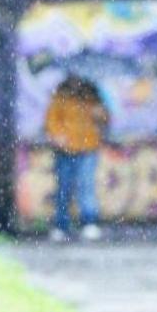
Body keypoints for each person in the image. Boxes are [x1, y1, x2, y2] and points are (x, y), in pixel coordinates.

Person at [45, 74, 109, 242]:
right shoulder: (60, 98)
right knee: (64, 188)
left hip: (87, 148)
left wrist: (99, 113)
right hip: (65, 150)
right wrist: (57, 136)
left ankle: (89, 221)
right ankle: (61, 224)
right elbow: (52, 121)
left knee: (86, 186)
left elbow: (105, 119)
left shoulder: (93, 98)